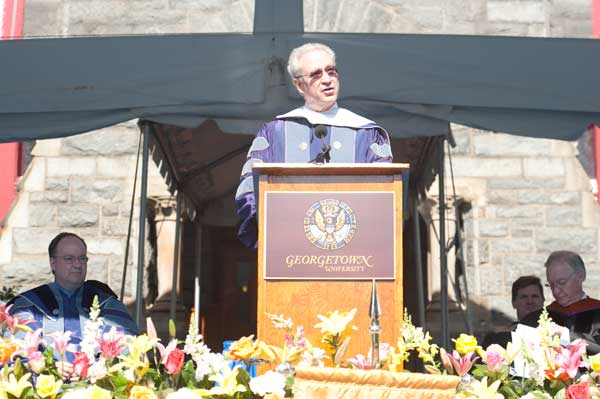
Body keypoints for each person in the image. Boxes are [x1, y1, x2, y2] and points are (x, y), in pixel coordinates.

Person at [235, 42, 393, 248]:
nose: (327, 80)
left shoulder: (367, 133)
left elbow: (387, 198)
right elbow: (250, 192)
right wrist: (271, 240)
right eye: (316, 74)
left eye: (331, 71)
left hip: (355, 255)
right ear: (299, 85)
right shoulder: (275, 134)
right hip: (290, 252)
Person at [8, 232, 138, 363]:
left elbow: (127, 351)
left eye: (82, 258)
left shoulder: (106, 304)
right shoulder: (29, 305)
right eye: (69, 258)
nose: (77, 264)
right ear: (53, 263)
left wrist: (97, 369)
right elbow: (16, 357)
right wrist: (47, 367)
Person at [522, 250, 600, 354]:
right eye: (551, 285)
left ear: (580, 276)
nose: (555, 291)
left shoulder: (597, 312)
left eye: (561, 283)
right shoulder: (538, 317)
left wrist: (565, 334)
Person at [483, 275, 545, 347]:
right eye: (524, 297)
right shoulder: (496, 338)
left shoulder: (556, 332)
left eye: (534, 296)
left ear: (543, 300)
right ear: (514, 302)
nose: (530, 301)